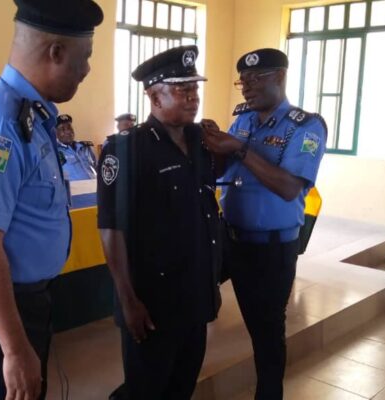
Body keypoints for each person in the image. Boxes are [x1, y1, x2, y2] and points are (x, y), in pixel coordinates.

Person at [0, 0, 103, 399]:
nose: (87, 70)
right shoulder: (1, 124)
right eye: (85, 58)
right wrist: (13, 348)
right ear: (56, 52)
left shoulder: (32, 115)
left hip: (15, 297)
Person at [201, 48, 327, 400]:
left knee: (266, 332)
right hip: (228, 239)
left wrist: (239, 149)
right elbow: (221, 171)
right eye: (243, 80)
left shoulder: (305, 125)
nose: (246, 87)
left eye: (257, 79)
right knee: (189, 297)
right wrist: (213, 147)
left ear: (280, 77)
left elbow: (289, 187)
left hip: (271, 249)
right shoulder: (243, 119)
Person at [98, 45, 222, 400]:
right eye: (182, 90)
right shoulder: (126, 149)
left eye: (195, 89)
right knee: (146, 389)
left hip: (195, 295)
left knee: (182, 385)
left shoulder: (201, 141)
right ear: (154, 96)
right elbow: (111, 228)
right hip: (152, 302)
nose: (192, 98)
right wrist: (127, 299)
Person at [55, 113, 98, 180]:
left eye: (69, 127)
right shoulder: (55, 152)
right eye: (62, 129)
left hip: (94, 187)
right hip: (73, 189)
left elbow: (97, 167)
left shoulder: (85, 147)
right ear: (56, 133)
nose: (68, 131)